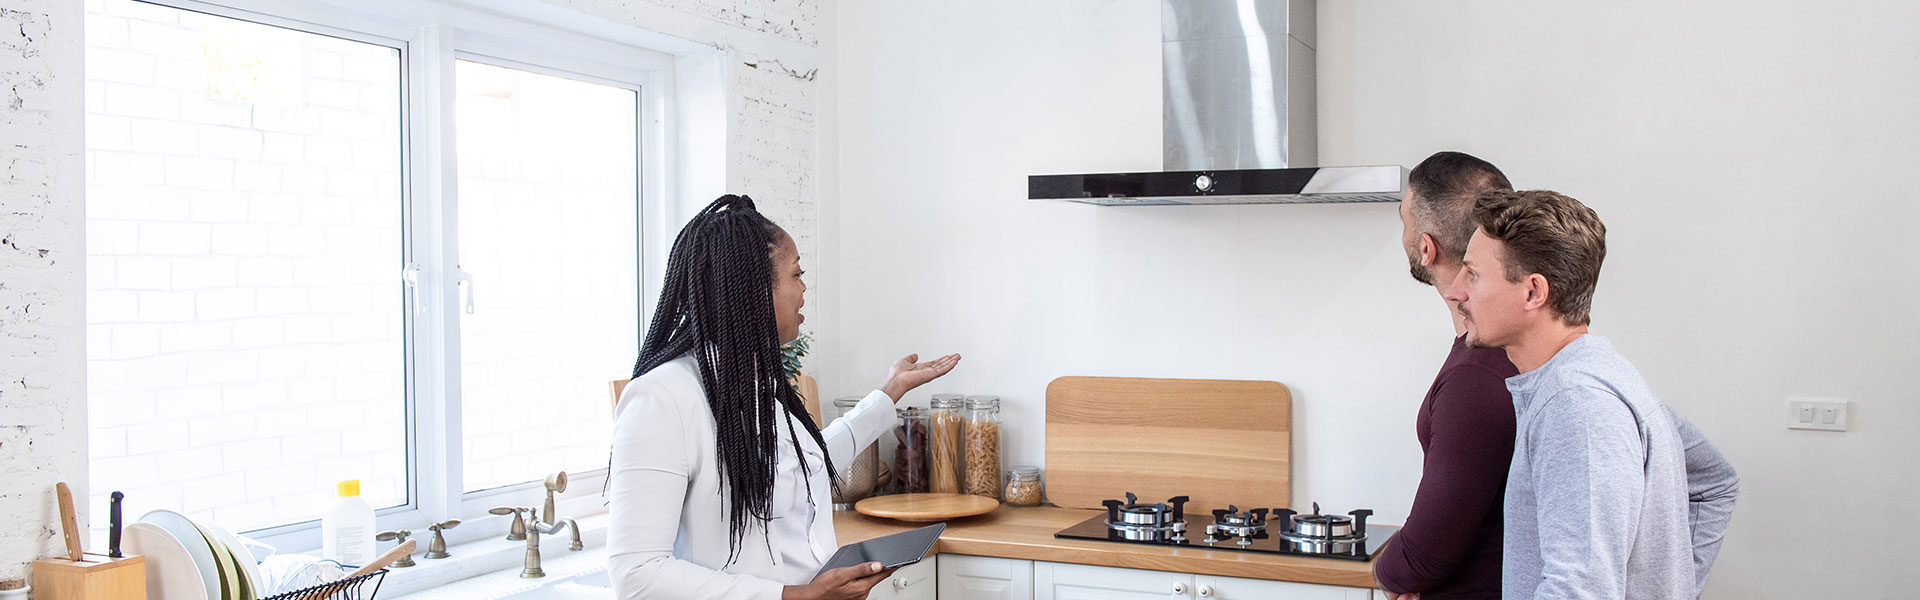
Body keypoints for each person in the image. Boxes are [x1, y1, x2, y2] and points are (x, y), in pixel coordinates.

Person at [606, 195, 961, 600]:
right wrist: (796, 596)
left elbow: (808, 463)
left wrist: (890, 390)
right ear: (754, 289)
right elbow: (636, 574)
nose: (804, 288)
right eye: (796, 273)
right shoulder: (661, 398)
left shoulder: (752, 382)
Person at [1440, 190, 1736, 599]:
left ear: (1533, 292)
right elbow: (1714, 481)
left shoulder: (1578, 404)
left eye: (1472, 273)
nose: (1455, 291)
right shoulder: (1598, 376)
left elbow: (1579, 591)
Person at [1373, 152, 1519, 600]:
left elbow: (1426, 554)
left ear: (1426, 248)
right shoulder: (1501, 353)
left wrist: (1392, 573)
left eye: (1404, 220)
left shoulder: (1477, 377)